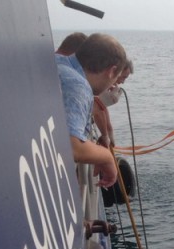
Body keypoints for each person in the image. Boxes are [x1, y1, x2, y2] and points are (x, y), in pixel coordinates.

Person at [55, 33, 127, 188]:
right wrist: (106, 157)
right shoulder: (78, 85)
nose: (113, 85)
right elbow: (72, 146)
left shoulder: (57, 62)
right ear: (111, 71)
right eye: (116, 78)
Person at [92, 59, 134, 148]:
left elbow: (101, 108)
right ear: (114, 72)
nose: (123, 82)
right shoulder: (97, 83)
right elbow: (97, 111)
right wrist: (105, 136)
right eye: (123, 77)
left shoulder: (102, 85)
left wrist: (110, 132)